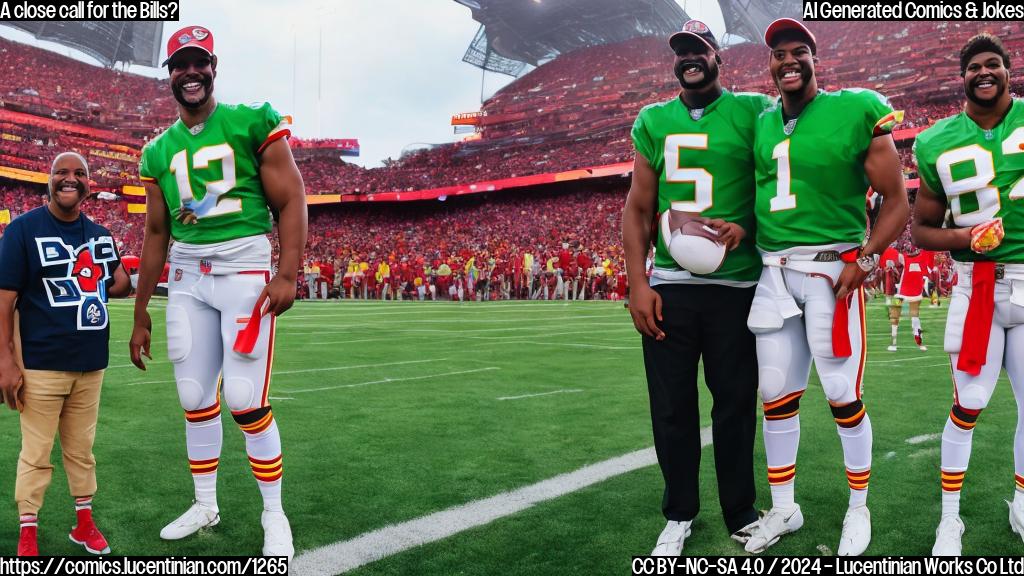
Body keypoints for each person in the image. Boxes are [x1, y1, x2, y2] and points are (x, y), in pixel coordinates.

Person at [129, 26, 307, 558]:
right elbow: (155, 233)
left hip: (243, 268)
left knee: (246, 400)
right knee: (193, 396)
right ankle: (205, 503)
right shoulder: (157, 150)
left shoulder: (251, 120)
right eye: (180, 65)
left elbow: (291, 198)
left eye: (198, 63)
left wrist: (287, 272)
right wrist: (140, 311)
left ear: (213, 67)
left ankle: (274, 513)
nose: (190, 73)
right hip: (187, 275)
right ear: (169, 75)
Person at [744, 19, 909, 556]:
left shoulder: (854, 108)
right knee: (775, 393)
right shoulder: (762, 122)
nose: (788, 61)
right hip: (773, 273)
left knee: (841, 392)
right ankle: (784, 508)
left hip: (829, 272)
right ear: (770, 66)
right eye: (778, 54)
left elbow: (897, 200)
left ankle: (858, 508)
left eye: (799, 51)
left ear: (816, 59)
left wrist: (866, 256)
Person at [623, 19, 772, 555]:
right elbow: (639, 207)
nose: (690, 58)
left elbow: (775, 183)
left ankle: (740, 510)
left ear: (717, 58)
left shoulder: (754, 111)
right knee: (671, 406)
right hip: (672, 287)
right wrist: (638, 283)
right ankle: (680, 512)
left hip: (736, 286)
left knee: (735, 404)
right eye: (682, 51)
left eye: (700, 50)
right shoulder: (653, 119)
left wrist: (746, 226)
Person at [911, 33, 1024, 556]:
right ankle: (949, 520)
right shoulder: (935, 140)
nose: (984, 72)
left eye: (993, 63)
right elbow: (922, 230)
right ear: (963, 77)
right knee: (968, 403)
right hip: (976, 286)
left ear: (1008, 69)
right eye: (974, 66)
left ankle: (1021, 504)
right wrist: (966, 237)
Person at [0, 152, 130, 556]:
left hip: (91, 362)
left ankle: (84, 524)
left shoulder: (100, 234)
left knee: (81, 450)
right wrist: (5, 360)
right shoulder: (22, 230)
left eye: (79, 173)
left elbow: (120, 284)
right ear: (49, 180)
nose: (70, 179)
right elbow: (4, 300)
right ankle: (28, 533)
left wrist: (107, 268)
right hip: (41, 362)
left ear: (89, 184)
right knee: (36, 452)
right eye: (62, 172)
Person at [888, 246, 933, 352]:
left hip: (914, 295)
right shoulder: (904, 257)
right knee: (895, 317)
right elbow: (892, 258)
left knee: (915, 318)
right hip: (900, 293)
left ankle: (919, 343)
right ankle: (893, 343)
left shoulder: (923, 257)